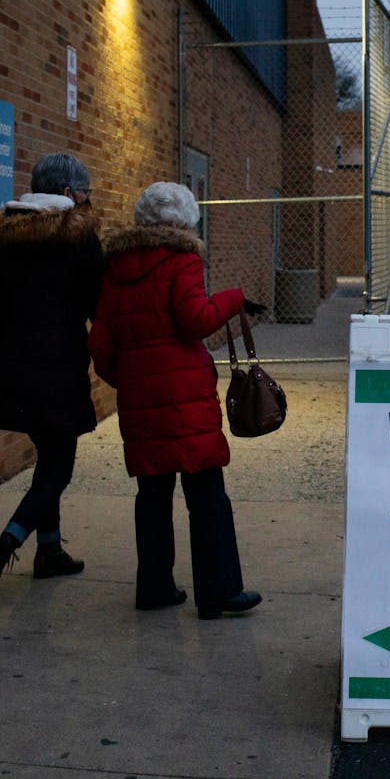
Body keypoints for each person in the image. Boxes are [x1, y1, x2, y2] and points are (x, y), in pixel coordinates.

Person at [87, 181, 265, 618]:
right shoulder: (182, 260)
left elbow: (102, 346)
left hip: (140, 400)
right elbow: (195, 320)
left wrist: (129, 380)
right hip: (184, 397)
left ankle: (154, 587)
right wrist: (235, 298)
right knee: (206, 494)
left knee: (152, 494)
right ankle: (218, 592)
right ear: (185, 221)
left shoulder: (115, 268)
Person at [0, 153, 106, 603]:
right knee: (58, 466)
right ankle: (3, 545)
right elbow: (98, 304)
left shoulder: (4, 235)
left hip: (13, 365)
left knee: (48, 452)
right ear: (68, 192)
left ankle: (49, 552)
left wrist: (5, 339)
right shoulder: (78, 237)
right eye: (84, 190)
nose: (87, 198)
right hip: (59, 367)